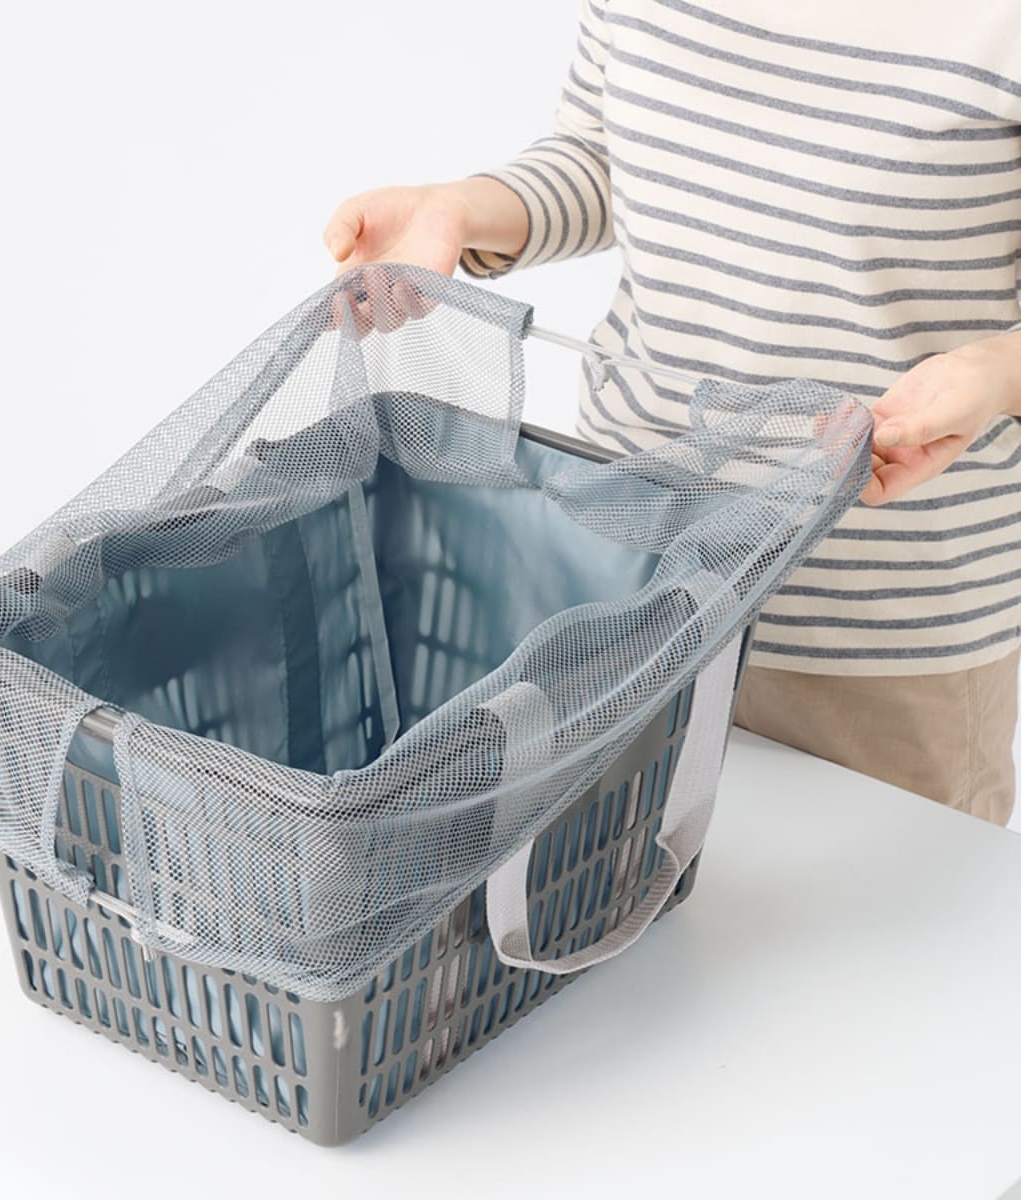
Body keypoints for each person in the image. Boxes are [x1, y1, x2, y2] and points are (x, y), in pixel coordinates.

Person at [322, 0, 1021, 825]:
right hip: (632, 588)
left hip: (879, 636)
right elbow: (599, 159)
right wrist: (462, 208)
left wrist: (996, 370)